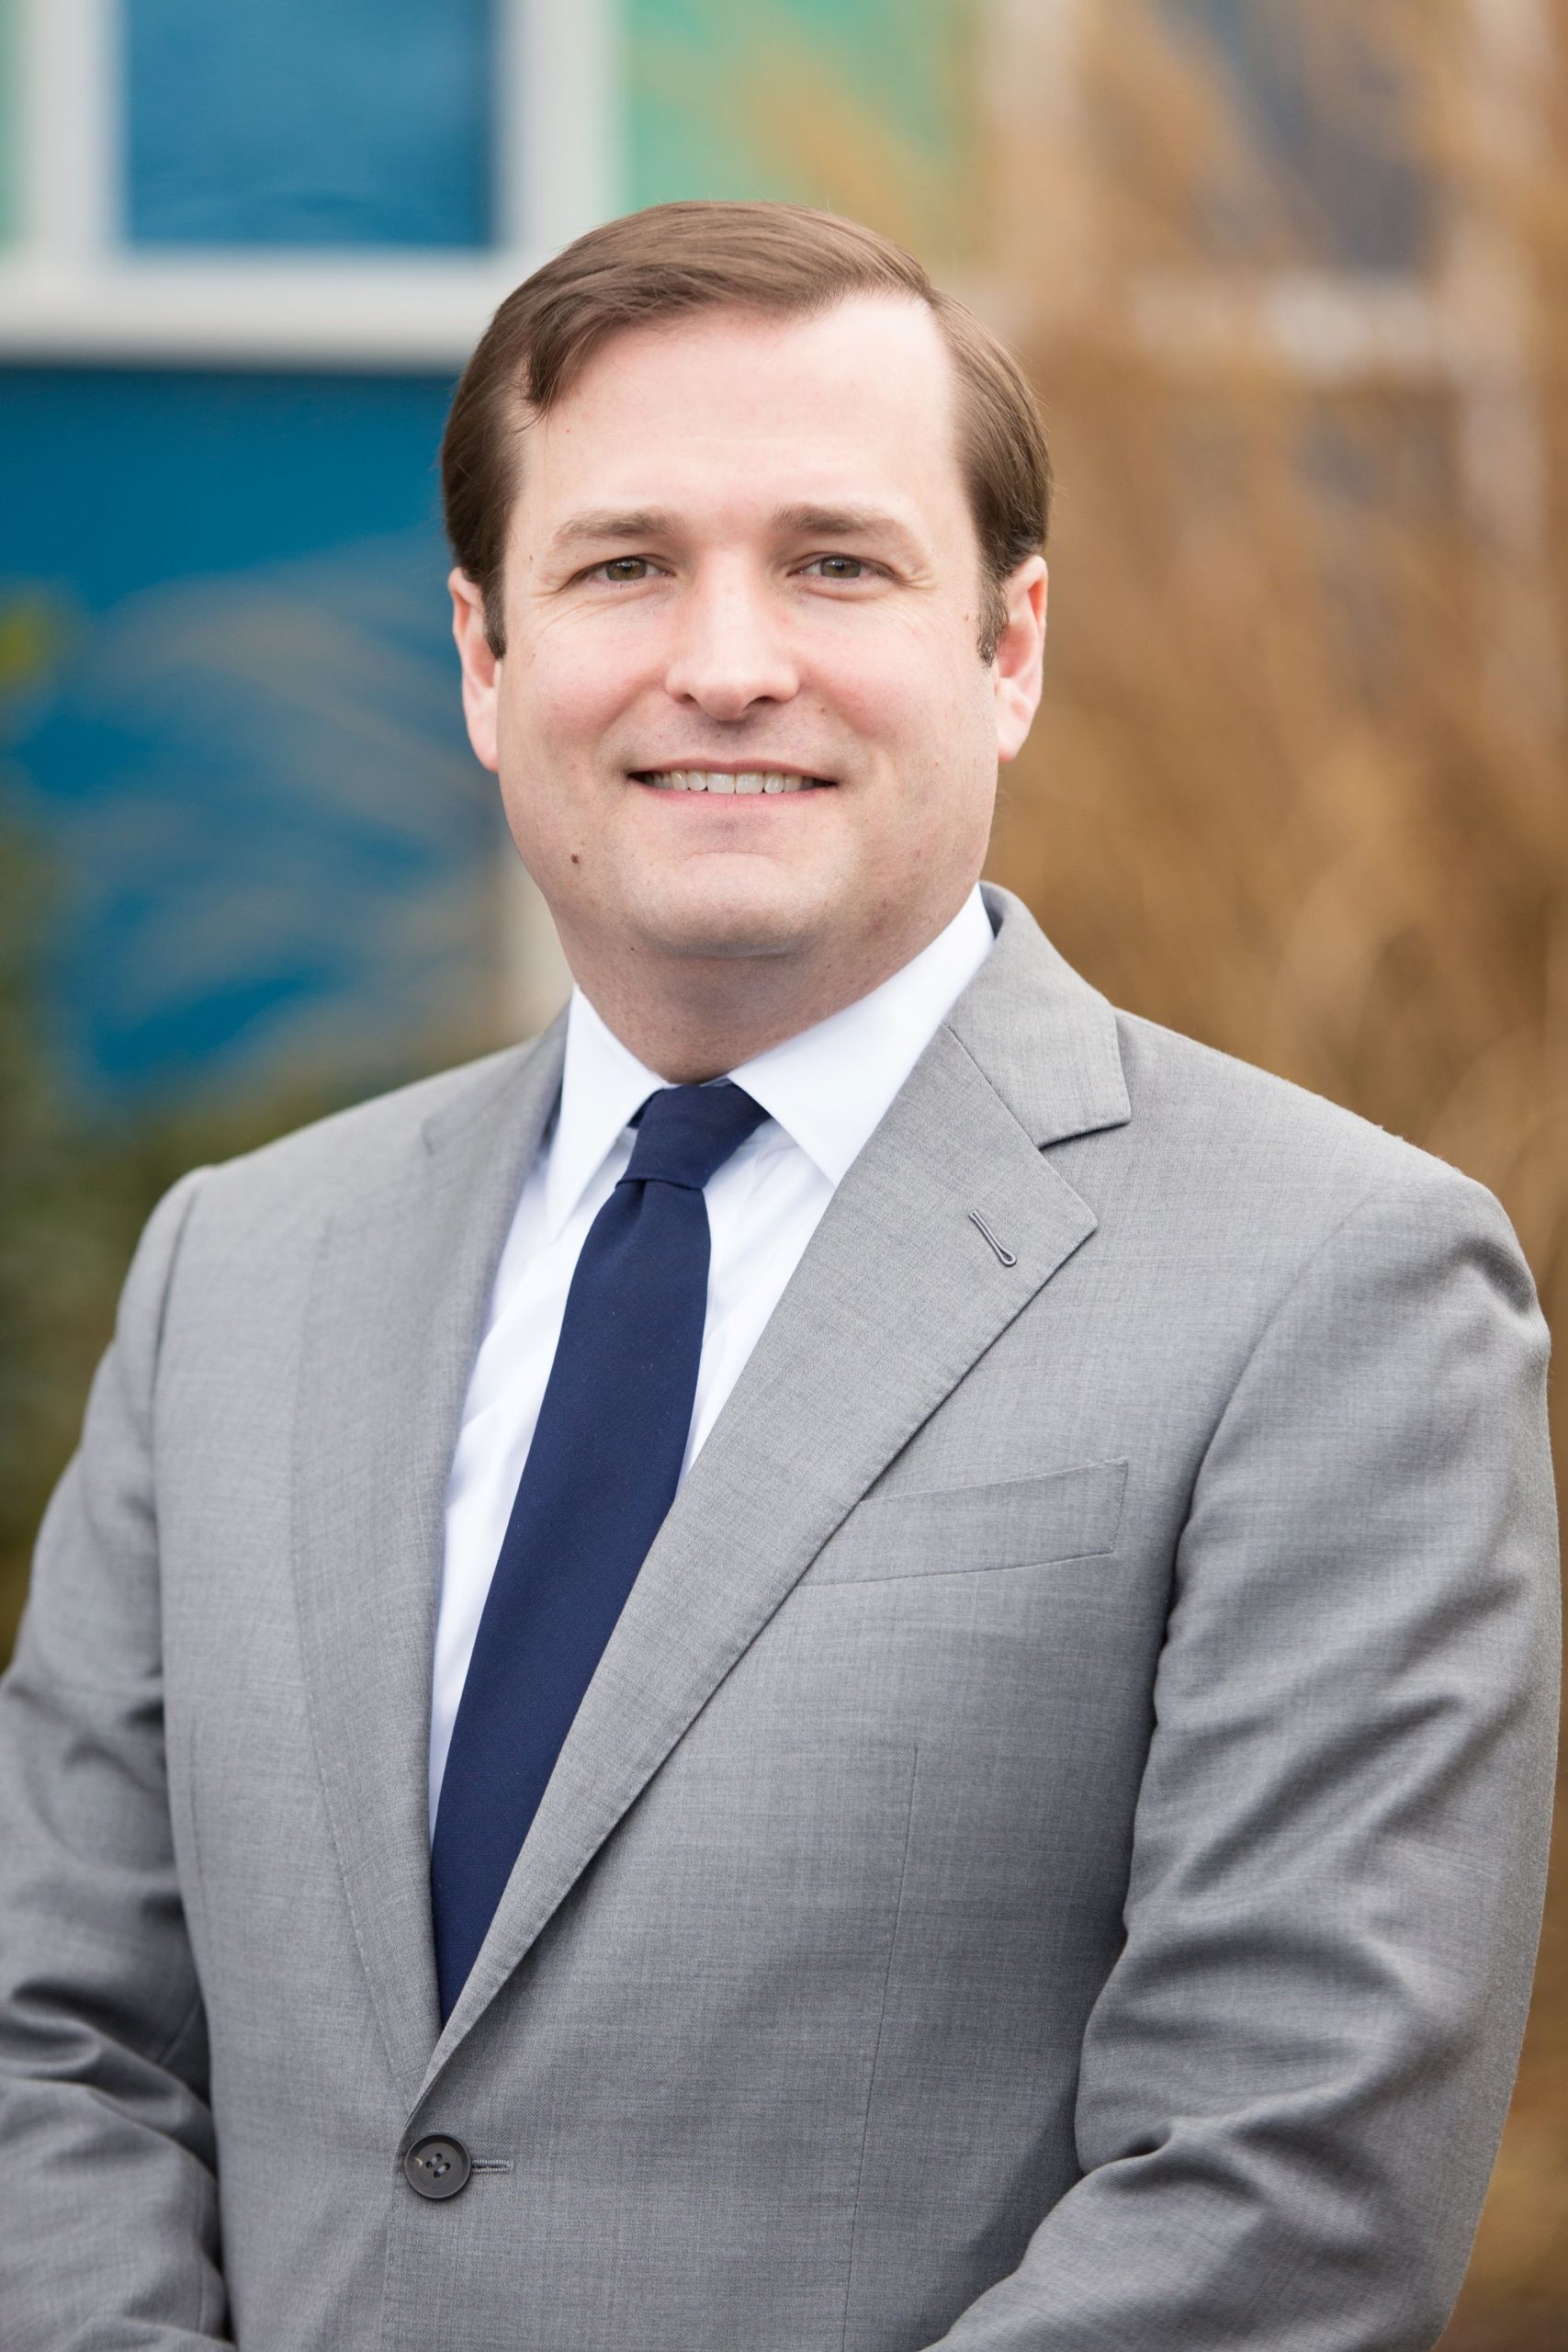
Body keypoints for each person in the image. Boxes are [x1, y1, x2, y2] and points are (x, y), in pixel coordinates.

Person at [0, 200, 1557, 2352]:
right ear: (482, 654)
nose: (725, 660)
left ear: (1008, 648)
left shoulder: (1330, 1286)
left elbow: (1279, 2194)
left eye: (834, 560)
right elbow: (50, 2042)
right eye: (623, 562)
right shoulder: (238, 1269)